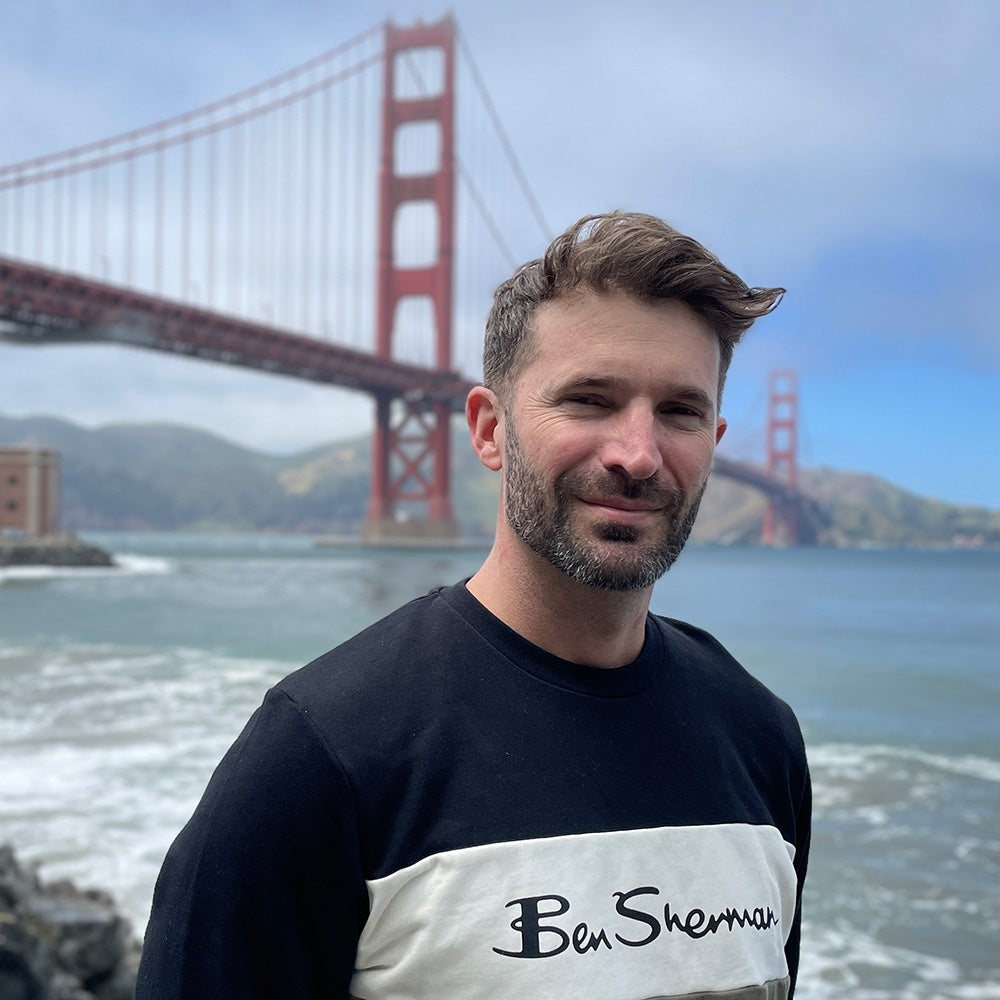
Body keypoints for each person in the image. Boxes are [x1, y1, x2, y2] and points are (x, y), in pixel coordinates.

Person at [136, 211, 811, 999]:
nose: (637, 453)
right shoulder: (321, 757)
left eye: (680, 412)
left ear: (715, 440)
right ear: (490, 430)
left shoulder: (760, 737)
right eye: (590, 400)